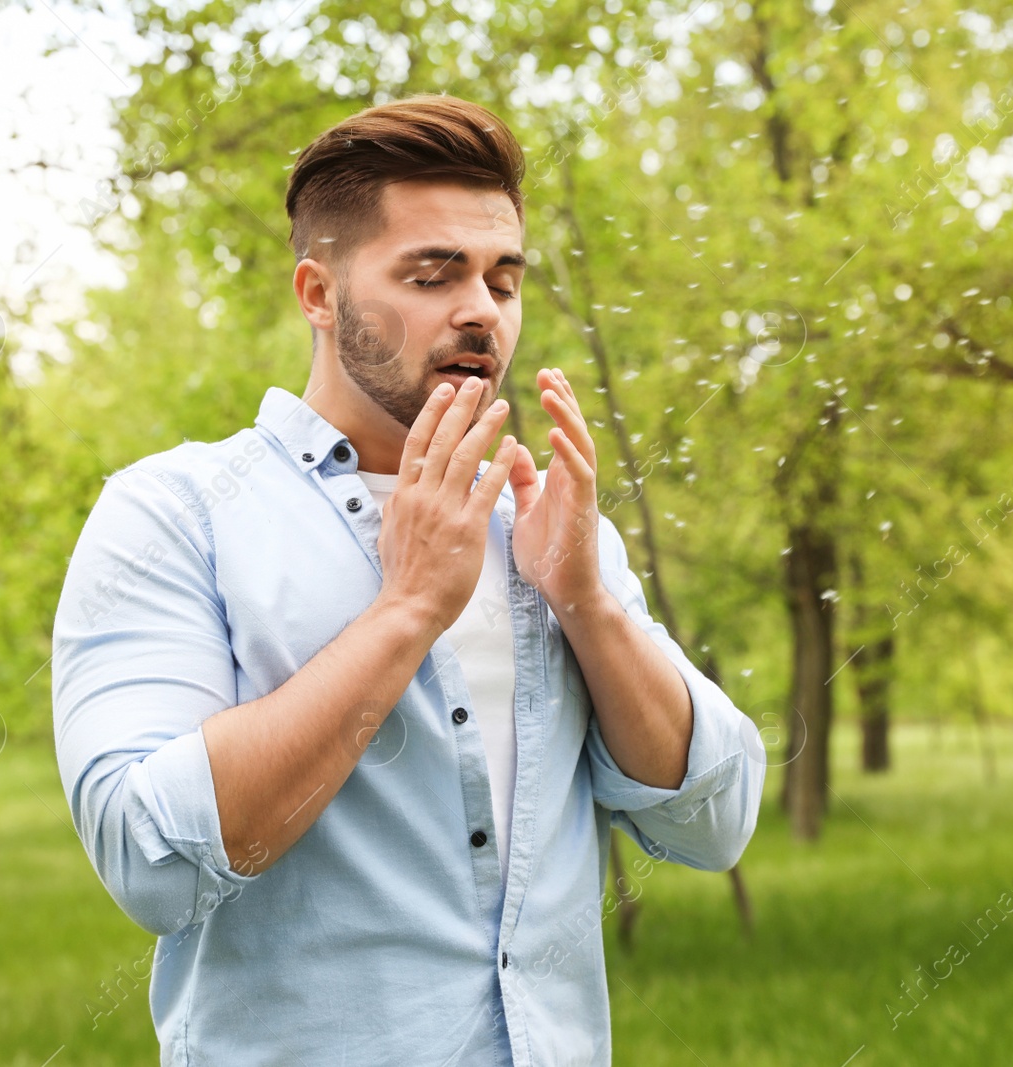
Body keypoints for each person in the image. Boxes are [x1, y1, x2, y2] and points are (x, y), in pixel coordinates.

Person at [52, 93, 765, 1066]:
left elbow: (713, 819)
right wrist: (408, 610)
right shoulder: (173, 513)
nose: (480, 308)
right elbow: (151, 861)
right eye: (432, 274)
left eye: (502, 279)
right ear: (318, 291)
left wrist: (588, 602)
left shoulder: (547, 521)